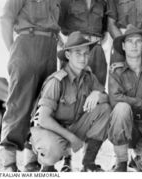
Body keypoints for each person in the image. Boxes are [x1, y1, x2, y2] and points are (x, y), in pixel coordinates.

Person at [0, 0, 69, 172]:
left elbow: (56, 29)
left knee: (42, 107)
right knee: (18, 104)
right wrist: (13, 52)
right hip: (25, 47)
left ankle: (32, 161)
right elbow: (6, 18)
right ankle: (9, 163)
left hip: (49, 51)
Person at [30, 31, 111, 172]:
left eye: (86, 53)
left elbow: (107, 98)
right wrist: (72, 138)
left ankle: (88, 163)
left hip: (74, 126)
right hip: (51, 130)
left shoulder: (89, 77)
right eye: (78, 53)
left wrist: (97, 94)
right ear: (68, 55)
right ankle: (47, 166)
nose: (83, 57)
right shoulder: (57, 81)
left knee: (105, 109)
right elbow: (43, 119)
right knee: (51, 150)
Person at [108, 25, 142, 172]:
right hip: (126, 125)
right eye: (130, 41)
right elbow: (114, 99)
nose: (134, 45)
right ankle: (121, 162)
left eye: (138, 41)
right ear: (123, 46)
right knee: (121, 108)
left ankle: (136, 160)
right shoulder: (116, 71)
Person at [59, 0, 108, 86]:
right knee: (71, 91)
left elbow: (105, 29)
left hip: (96, 51)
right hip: (75, 51)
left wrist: (97, 45)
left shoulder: (102, 3)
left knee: (97, 89)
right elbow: (56, 27)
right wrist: (65, 48)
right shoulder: (67, 1)